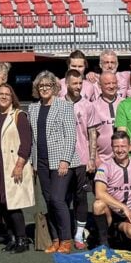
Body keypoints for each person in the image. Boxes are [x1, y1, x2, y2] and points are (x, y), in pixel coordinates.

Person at [22, 72, 81, 253]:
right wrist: (32, 163)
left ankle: (66, 239)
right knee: (48, 200)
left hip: (61, 162)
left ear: (55, 88)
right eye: (41, 86)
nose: (45, 89)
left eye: (48, 85)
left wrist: (65, 160)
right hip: (41, 161)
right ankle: (55, 239)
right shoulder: (33, 108)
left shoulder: (64, 106)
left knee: (57, 199)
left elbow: (71, 135)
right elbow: (32, 138)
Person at [0, 80, 39, 251]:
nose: (4, 97)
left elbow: (26, 142)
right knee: (0, 204)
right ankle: (12, 237)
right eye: (0, 95)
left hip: (13, 166)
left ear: (12, 97)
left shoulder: (19, 116)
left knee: (13, 205)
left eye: (7, 94)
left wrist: (20, 164)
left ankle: (22, 240)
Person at [89, 130, 131, 249]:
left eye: (123, 146)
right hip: (112, 213)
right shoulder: (105, 167)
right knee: (98, 205)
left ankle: (120, 234)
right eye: (116, 146)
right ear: (112, 147)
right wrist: (122, 207)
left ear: (130, 147)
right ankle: (103, 242)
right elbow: (99, 193)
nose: (120, 150)